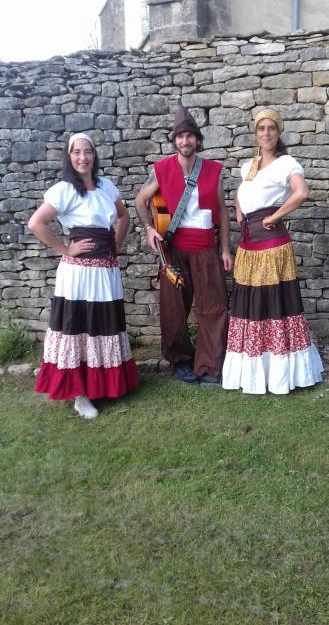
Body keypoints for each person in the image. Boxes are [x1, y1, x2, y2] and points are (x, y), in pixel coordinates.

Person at [28, 132, 139, 419]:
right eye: (76, 152)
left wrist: (116, 242)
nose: (82, 157)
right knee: (80, 324)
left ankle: (103, 384)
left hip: (106, 270)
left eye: (87, 151)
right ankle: (80, 394)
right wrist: (66, 248)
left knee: (102, 323)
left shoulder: (105, 186)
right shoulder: (64, 190)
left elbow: (123, 217)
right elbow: (36, 223)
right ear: (69, 156)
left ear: (94, 155)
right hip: (78, 273)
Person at [222, 108, 323, 395]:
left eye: (271, 128)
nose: (265, 133)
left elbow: (301, 192)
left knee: (275, 305)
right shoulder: (249, 166)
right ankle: (255, 371)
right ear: (255, 134)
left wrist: (274, 216)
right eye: (261, 129)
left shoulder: (285, 163)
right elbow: (240, 195)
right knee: (251, 306)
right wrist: (240, 214)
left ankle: (279, 372)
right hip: (248, 246)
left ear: (278, 133)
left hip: (271, 246)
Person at [135, 105, 233, 384]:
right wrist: (149, 229)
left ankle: (210, 365)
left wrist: (225, 249)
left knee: (214, 307)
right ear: (174, 140)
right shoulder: (161, 169)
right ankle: (180, 360)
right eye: (180, 136)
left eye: (190, 136)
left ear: (197, 140)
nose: (185, 141)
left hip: (205, 248)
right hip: (173, 250)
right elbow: (140, 201)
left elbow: (222, 212)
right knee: (174, 310)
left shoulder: (213, 170)